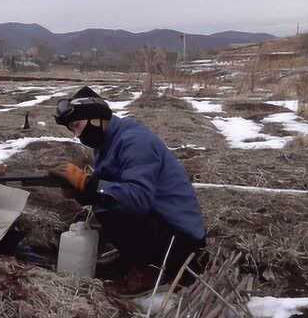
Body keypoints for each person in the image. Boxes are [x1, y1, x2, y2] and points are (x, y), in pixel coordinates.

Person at [50, 86, 206, 297]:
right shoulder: (105, 146)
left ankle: (152, 270)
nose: (78, 136)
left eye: (77, 126)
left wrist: (89, 184)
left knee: (114, 210)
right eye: (73, 130)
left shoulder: (135, 141)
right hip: (159, 224)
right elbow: (107, 188)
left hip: (180, 239)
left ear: (97, 118)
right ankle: (134, 260)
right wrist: (79, 190)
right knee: (106, 205)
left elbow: (136, 198)